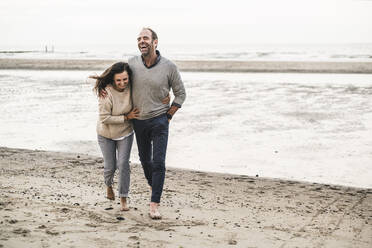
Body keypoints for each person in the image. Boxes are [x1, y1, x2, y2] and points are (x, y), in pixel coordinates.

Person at [129, 27, 186, 219]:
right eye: (139, 39)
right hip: (139, 120)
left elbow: (181, 93)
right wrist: (104, 89)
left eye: (145, 38)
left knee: (159, 162)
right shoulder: (131, 63)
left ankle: (154, 205)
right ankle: (154, 185)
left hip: (160, 120)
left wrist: (169, 114)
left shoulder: (169, 67)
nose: (141, 41)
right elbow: (118, 82)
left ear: (155, 42)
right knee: (145, 161)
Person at [91, 62, 138, 211]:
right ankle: (108, 185)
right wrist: (126, 117)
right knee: (110, 166)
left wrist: (164, 97)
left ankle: (123, 198)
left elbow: (148, 91)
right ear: (113, 79)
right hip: (106, 134)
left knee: (123, 164)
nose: (122, 83)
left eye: (125, 79)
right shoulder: (106, 93)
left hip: (125, 132)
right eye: (119, 80)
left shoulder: (133, 87)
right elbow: (104, 118)